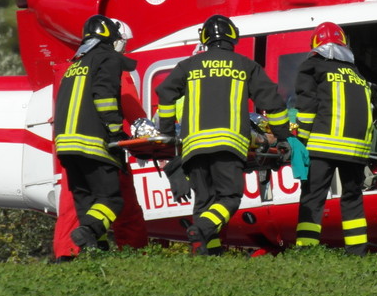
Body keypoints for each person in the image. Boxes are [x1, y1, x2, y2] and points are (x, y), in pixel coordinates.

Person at [155, 14, 291, 255]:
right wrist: (282, 137)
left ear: (205, 38)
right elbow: (273, 103)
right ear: (233, 37)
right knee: (229, 198)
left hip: (194, 147)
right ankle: (201, 230)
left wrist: (166, 134)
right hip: (228, 146)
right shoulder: (245, 65)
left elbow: (165, 93)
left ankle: (208, 253)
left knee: (205, 202)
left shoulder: (188, 66)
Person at [53, 19, 148, 260]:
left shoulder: (73, 67)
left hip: (66, 147)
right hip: (98, 144)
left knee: (79, 204)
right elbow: (114, 100)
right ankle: (128, 251)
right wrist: (119, 132)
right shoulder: (108, 62)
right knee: (114, 201)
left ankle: (81, 253)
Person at [294, 22, 373, 256]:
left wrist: (301, 141)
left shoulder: (312, 66)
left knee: (313, 198)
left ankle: (307, 251)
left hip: (322, 145)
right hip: (356, 150)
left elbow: (307, 108)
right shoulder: (357, 73)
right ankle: (357, 252)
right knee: (353, 198)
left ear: (315, 44)